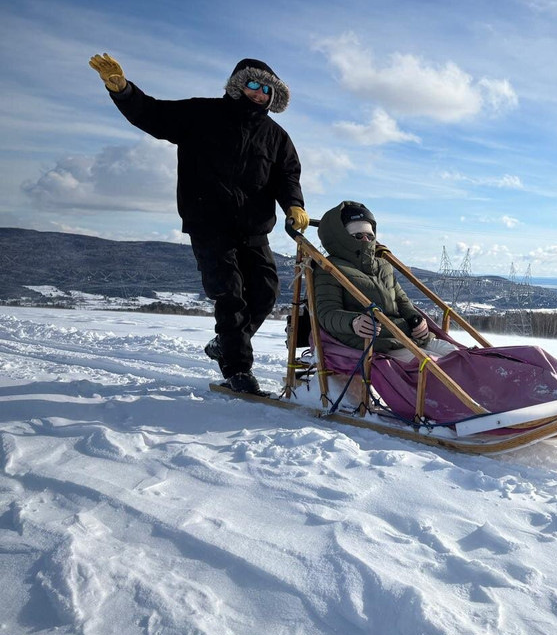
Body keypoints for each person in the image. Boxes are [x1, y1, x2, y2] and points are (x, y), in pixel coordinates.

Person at [89, 52, 309, 393]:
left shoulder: (276, 136)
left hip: (253, 228)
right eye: (253, 84)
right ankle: (237, 369)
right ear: (239, 85)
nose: (260, 93)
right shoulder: (201, 113)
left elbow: (287, 176)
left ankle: (226, 343)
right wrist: (122, 90)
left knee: (265, 293)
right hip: (209, 223)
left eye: (267, 89)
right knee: (230, 293)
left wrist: (294, 205)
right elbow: (152, 114)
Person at [313, 201, 457, 361]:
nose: (366, 240)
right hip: (375, 341)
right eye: (358, 236)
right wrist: (353, 322)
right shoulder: (329, 269)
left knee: (458, 355)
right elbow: (327, 313)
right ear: (341, 238)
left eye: (370, 235)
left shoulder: (383, 265)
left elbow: (402, 301)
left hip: (406, 334)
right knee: (432, 365)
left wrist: (415, 319)